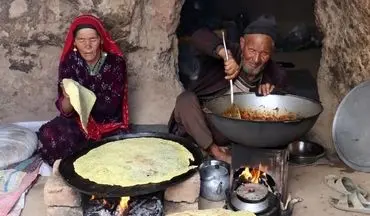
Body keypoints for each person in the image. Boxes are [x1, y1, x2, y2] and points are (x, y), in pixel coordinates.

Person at [168, 15, 287, 163]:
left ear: (272, 51)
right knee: (185, 100)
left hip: (236, 131)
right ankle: (215, 151)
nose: (256, 59)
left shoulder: (275, 73)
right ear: (242, 43)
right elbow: (198, 36)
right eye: (252, 50)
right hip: (205, 122)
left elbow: (286, 105)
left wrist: (272, 93)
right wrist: (224, 54)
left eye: (264, 53)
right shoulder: (230, 51)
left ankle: (212, 148)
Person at [38, 14, 129, 166]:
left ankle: (86, 160)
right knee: (49, 133)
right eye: (81, 40)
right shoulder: (69, 62)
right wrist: (68, 99)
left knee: (117, 153)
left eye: (92, 39)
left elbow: (111, 107)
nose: (87, 45)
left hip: (109, 125)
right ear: (74, 42)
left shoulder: (116, 63)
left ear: (101, 40)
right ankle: (79, 163)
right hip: (78, 124)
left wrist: (81, 97)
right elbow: (66, 111)